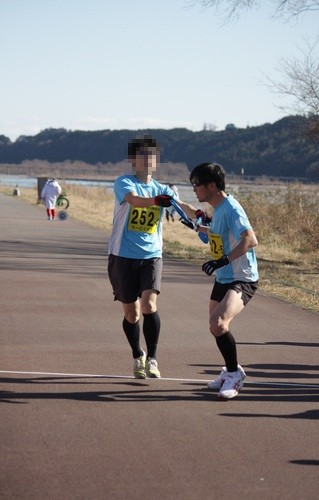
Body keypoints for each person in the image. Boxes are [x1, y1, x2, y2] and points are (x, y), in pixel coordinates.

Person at [107, 136, 197, 379]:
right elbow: (134, 201)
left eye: (152, 155)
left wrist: (198, 214)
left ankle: (153, 359)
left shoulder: (162, 188)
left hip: (152, 255)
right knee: (132, 314)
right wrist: (155, 201)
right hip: (122, 256)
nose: (148, 160)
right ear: (133, 160)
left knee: (149, 305)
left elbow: (180, 206)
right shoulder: (123, 182)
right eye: (143, 155)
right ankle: (138, 355)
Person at [182, 162, 259, 400]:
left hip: (241, 277)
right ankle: (230, 370)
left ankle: (234, 376)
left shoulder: (232, 208)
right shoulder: (217, 209)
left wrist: (222, 260)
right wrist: (198, 228)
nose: (194, 189)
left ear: (212, 186)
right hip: (224, 277)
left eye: (197, 185)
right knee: (216, 326)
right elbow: (217, 235)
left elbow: (250, 240)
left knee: (218, 322)